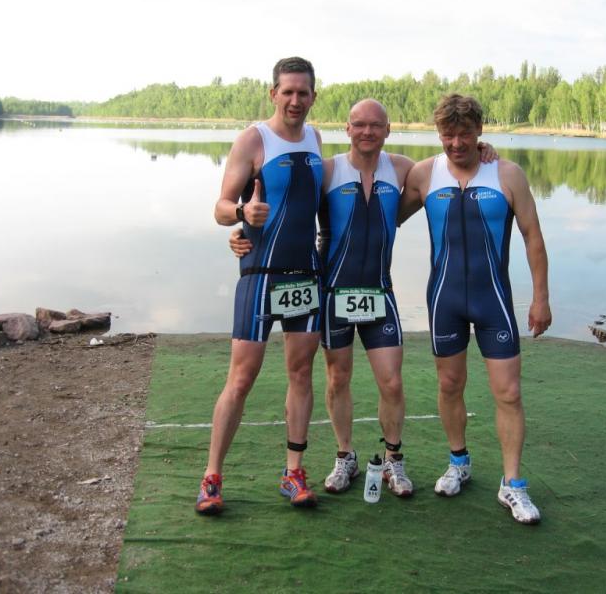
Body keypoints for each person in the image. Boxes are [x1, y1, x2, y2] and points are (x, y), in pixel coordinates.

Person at [230, 99, 498, 498]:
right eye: (359, 125)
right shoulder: (327, 170)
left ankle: (393, 458)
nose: (367, 132)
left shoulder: (404, 169)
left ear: (388, 130)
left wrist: (483, 150)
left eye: (375, 125)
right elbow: (288, 208)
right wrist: (243, 232)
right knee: (337, 377)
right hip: (333, 292)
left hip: (379, 291)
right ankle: (345, 456)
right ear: (347, 129)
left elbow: (451, 164)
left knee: (392, 381)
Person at [399, 94, 552, 524]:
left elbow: (533, 236)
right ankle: (458, 462)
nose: (456, 143)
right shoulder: (425, 174)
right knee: (450, 384)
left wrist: (541, 297)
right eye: (447, 135)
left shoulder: (507, 174)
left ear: (479, 131)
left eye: (465, 134)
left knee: (509, 392)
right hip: (444, 299)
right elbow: (384, 216)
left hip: (493, 300)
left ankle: (513, 484)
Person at [195, 57, 324, 515]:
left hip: (304, 274)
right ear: (273, 94)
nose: (295, 100)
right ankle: (212, 477)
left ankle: (293, 472)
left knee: (301, 373)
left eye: (303, 92)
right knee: (242, 377)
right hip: (260, 274)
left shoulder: (315, 138)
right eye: (287, 92)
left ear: (313, 96)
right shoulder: (254, 139)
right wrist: (240, 215)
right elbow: (220, 206)